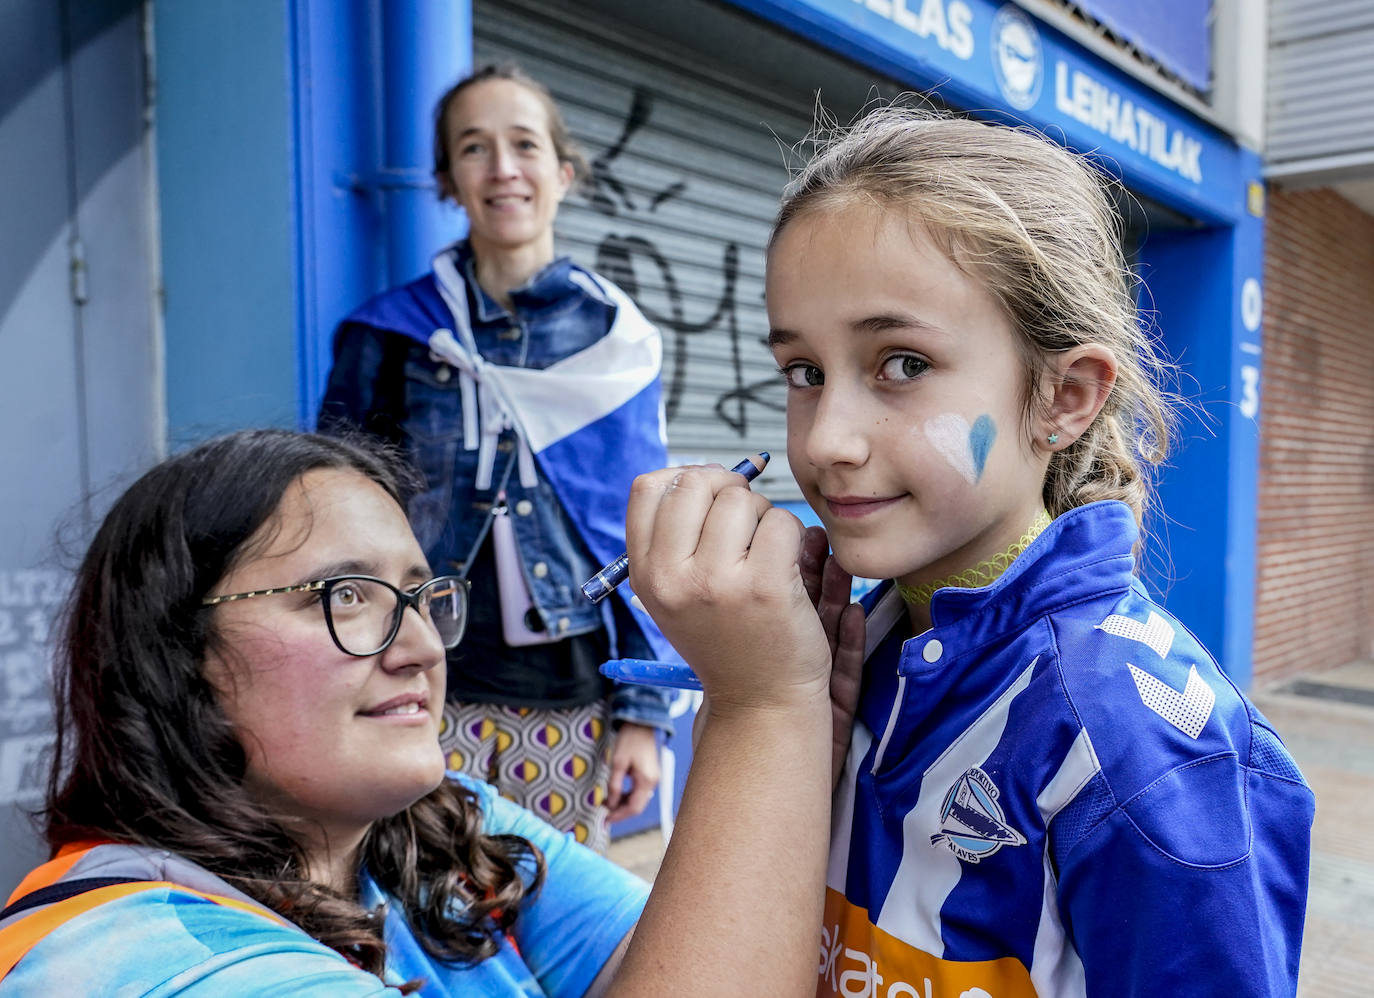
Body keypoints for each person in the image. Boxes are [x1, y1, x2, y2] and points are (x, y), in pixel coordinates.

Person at [743, 106, 1311, 995]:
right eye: (804, 374)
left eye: (901, 363)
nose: (825, 444)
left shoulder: (1141, 744)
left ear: (1065, 396)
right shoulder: (826, 660)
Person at [0, 428, 857, 995]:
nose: (420, 647)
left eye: (420, 596)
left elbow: (693, 960)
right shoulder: (146, 961)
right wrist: (761, 712)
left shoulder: (433, 833)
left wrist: (787, 748)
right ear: (174, 654)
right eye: (345, 594)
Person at [319, 63, 671, 853]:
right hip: (421, 682)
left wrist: (643, 716)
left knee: (553, 920)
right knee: (427, 912)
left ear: (563, 171)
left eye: (524, 145)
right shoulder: (391, 334)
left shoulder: (616, 341)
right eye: (474, 149)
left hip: (572, 692)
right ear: (447, 181)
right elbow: (337, 524)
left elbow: (637, 529)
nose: (503, 169)